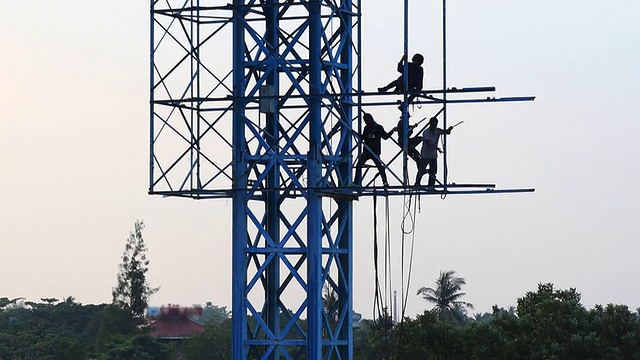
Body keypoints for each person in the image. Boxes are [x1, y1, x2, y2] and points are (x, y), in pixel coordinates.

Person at [354, 113, 394, 187]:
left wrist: (392, 131)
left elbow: (385, 137)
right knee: (360, 166)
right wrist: (355, 133)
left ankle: (385, 182)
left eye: (366, 120)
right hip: (368, 151)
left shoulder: (378, 128)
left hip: (373, 152)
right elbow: (363, 137)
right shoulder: (368, 128)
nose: (366, 122)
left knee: (379, 167)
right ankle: (356, 183)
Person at [415, 117, 453, 188]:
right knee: (421, 170)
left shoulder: (437, 130)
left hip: (433, 156)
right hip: (425, 155)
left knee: (433, 171)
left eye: (436, 124)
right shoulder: (426, 132)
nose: (435, 126)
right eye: (433, 124)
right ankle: (417, 184)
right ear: (430, 124)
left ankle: (431, 186)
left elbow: (446, 132)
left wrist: (449, 129)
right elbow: (429, 143)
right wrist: (437, 148)